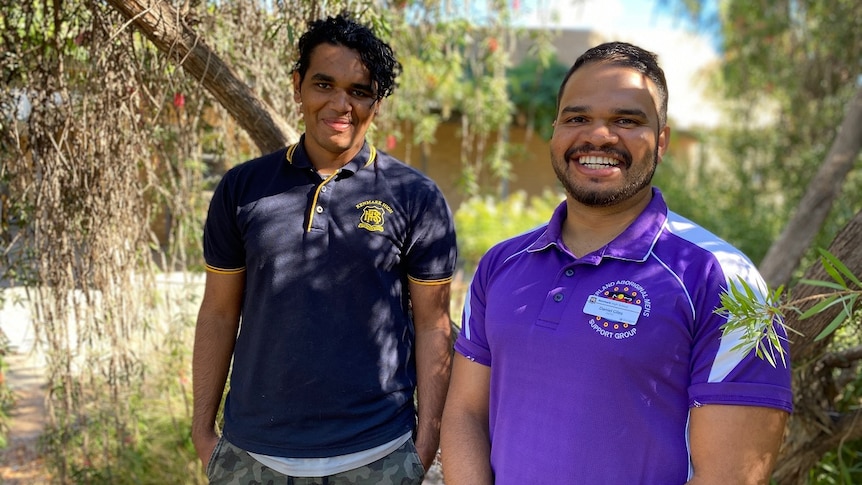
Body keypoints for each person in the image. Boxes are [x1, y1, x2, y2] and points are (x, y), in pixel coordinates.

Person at [440, 41, 792, 484]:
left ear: (660, 141)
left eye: (626, 120)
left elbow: (731, 476)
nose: (599, 136)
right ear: (555, 132)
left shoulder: (726, 281)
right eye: (577, 118)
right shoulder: (501, 265)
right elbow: (465, 413)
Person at [191, 12, 457, 485]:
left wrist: (426, 439)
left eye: (360, 91)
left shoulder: (415, 196)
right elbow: (217, 313)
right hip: (251, 457)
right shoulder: (242, 188)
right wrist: (203, 433)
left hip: (378, 455)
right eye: (324, 84)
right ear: (297, 86)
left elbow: (432, 325)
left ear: (377, 103)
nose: (341, 104)